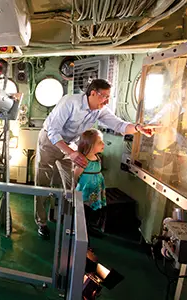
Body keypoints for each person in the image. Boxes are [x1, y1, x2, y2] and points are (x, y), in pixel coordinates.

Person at [35, 79, 158, 239]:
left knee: (68, 184)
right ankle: (42, 222)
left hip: (69, 144)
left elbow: (119, 125)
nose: (107, 101)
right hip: (50, 142)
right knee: (43, 182)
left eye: (108, 97)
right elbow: (53, 132)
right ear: (92, 93)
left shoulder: (100, 110)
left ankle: (66, 220)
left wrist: (137, 128)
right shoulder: (70, 102)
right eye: (104, 96)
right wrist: (71, 153)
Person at [74, 129, 106, 238]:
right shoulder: (84, 160)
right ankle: (82, 231)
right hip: (85, 191)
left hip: (95, 190)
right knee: (84, 211)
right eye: (100, 142)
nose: (103, 144)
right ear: (90, 145)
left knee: (92, 210)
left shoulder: (98, 157)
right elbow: (76, 175)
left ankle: (88, 227)